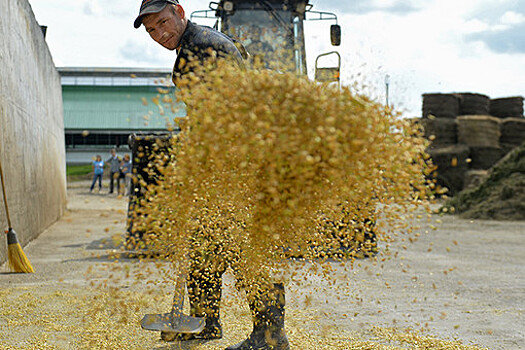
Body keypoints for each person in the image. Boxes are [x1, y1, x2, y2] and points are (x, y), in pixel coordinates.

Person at [134, 1, 289, 349]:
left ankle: (271, 336)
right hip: (220, 163)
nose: (160, 34)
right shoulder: (192, 48)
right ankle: (204, 322)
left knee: (242, 250)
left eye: (163, 23)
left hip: (236, 167)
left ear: (179, 11)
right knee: (204, 245)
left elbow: (234, 112)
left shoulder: (205, 47)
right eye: (152, 30)